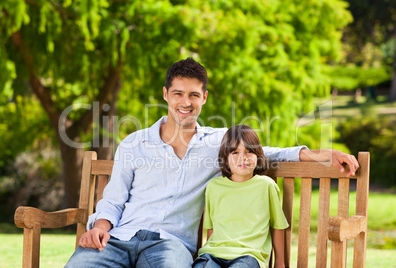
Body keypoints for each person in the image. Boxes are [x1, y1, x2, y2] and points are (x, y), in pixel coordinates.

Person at [65, 58, 359, 268]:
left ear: (204, 98)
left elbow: (267, 151)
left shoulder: (219, 143)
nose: (185, 102)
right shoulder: (135, 143)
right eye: (178, 93)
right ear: (166, 95)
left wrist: (323, 154)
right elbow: (113, 199)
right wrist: (100, 225)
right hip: (118, 238)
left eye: (194, 95)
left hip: (171, 244)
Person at [193, 125, 288, 268]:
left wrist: (280, 263)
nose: (242, 158)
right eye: (235, 152)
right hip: (213, 255)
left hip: (248, 256)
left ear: (258, 156)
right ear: (225, 159)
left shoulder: (266, 186)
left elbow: (277, 226)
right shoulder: (214, 187)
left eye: (249, 151)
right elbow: (212, 229)